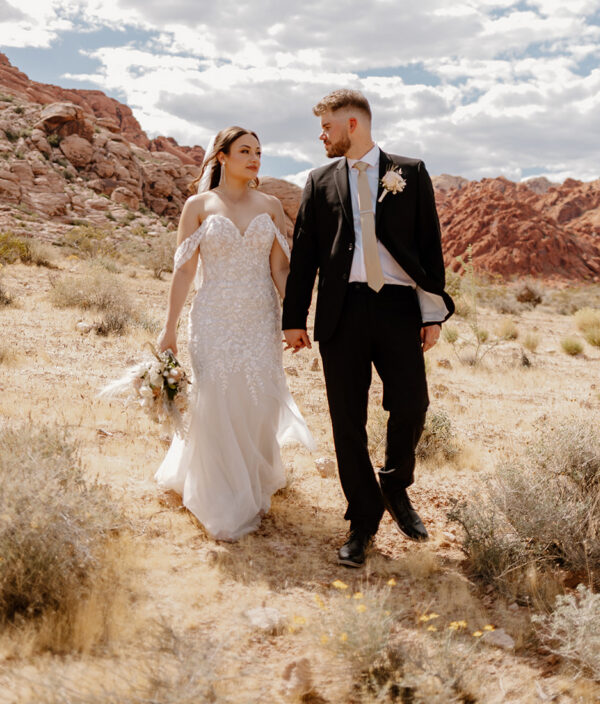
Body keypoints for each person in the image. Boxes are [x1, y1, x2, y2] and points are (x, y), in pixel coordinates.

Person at [283, 90, 453, 567]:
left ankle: (395, 486)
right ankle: (363, 519)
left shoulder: (411, 172)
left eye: (327, 127)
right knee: (346, 420)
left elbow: (429, 247)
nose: (321, 135)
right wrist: (294, 318)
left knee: (412, 402)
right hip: (343, 311)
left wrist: (430, 312)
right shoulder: (319, 181)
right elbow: (305, 256)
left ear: (352, 124)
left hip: (398, 307)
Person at [156, 126, 314, 541]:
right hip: (213, 318)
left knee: (257, 398)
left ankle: (250, 478)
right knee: (217, 396)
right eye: (245, 150)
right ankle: (219, 495)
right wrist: (168, 328)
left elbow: (280, 267)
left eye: (259, 151)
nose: (254, 157)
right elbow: (185, 269)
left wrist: (293, 319)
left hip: (260, 317)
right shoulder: (199, 205)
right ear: (221, 156)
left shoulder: (273, 205)